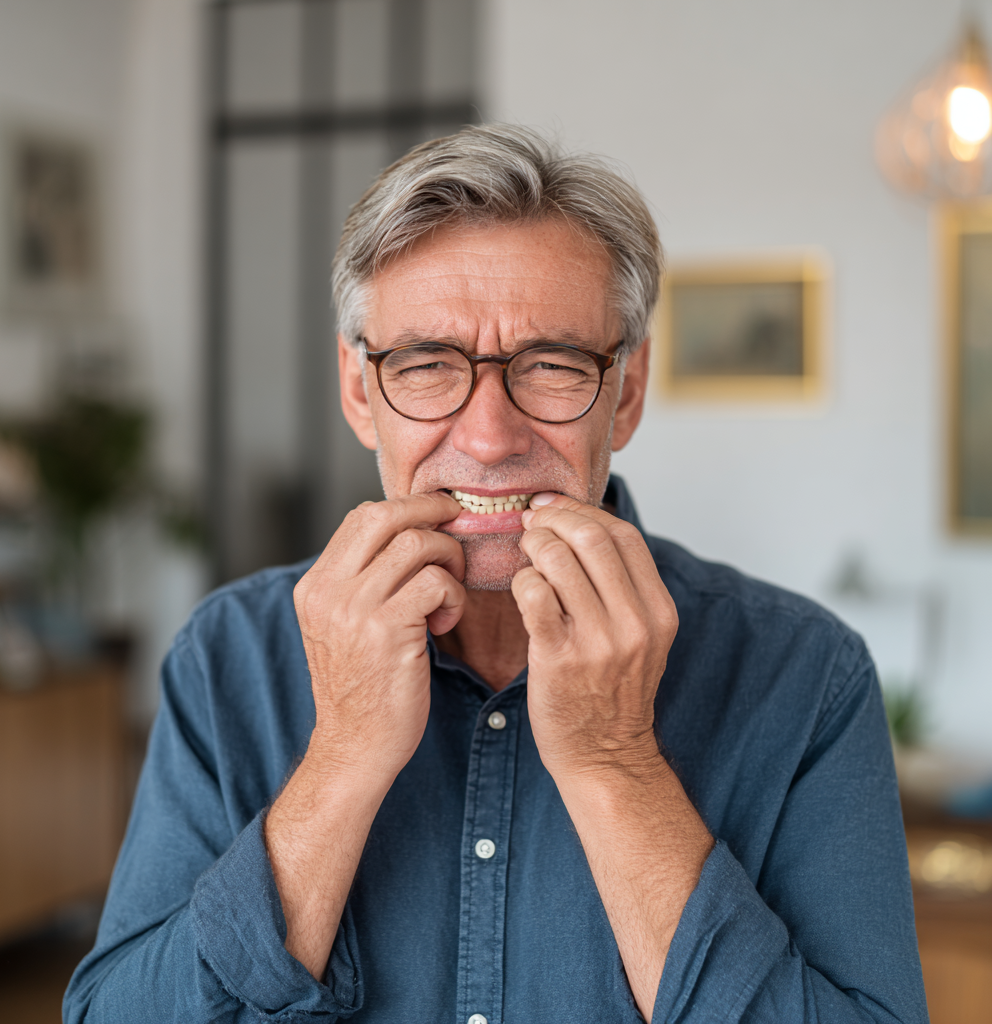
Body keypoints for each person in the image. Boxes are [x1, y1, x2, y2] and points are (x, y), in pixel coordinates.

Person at [64, 125, 927, 1024]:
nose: (487, 438)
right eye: (427, 365)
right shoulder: (227, 655)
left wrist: (616, 763)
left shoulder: (807, 674)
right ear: (361, 393)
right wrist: (344, 758)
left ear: (625, 393)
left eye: (551, 366)